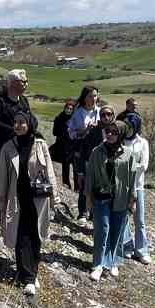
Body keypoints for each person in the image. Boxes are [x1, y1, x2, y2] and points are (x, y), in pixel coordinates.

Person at [0, 111, 53, 296]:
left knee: (35, 236)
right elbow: (2, 178)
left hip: (38, 198)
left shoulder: (40, 145)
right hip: (17, 198)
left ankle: (32, 272)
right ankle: (27, 276)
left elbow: (50, 171)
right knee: (21, 236)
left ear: (30, 124)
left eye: (22, 122)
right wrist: (2, 201)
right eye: (15, 122)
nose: (18, 125)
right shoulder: (8, 147)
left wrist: (55, 197)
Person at [86, 120, 136, 281]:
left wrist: (132, 200)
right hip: (101, 198)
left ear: (121, 134)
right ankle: (98, 264)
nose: (110, 134)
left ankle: (113, 261)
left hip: (121, 198)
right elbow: (90, 176)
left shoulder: (128, 153)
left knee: (117, 231)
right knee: (103, 230)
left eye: (114, 132)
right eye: (108, 131)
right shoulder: (97, 151)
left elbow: (132, 178)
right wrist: (88, 197)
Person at [119, 111, 152, 264]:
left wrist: (127, 165)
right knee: (123, 218)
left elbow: (143, 166)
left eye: (130, 125)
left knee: (139, 220)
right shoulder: (119, 141)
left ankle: (142, 250)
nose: (127, 128)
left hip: (137, 186)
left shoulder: (142, 143)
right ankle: (127, 247)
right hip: (122, 186)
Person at [68, 88, 102, 218]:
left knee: (98, 183)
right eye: (89, 96)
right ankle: (82, 212)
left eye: (94, 96)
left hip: (100, 152)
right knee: (84, 182)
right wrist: (84, 131)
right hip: (83, 151)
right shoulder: (78, 113)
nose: (92, 98)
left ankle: (94, 213)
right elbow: (71, 133)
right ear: (84, 97)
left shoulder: (101, 112)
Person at [0, 69, 33, 158]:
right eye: (23, 82)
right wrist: (14, 130)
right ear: (12, 83)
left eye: (26, 81)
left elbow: (31, 118)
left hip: (22, 144)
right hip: (4, 145)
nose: (26, 84)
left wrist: (29, 128)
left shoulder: (24, 100)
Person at [51, 99, 77, 195]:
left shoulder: (75, 118)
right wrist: (64, 131)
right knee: (65, 164)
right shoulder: (59, 118)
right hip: (62, 144)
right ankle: (66, 184)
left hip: (73, 144)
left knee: (76, 165)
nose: (69, 110)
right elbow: (54, 132)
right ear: (64, 108)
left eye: (71, 109)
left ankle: (77, 187)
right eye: (67, 108)